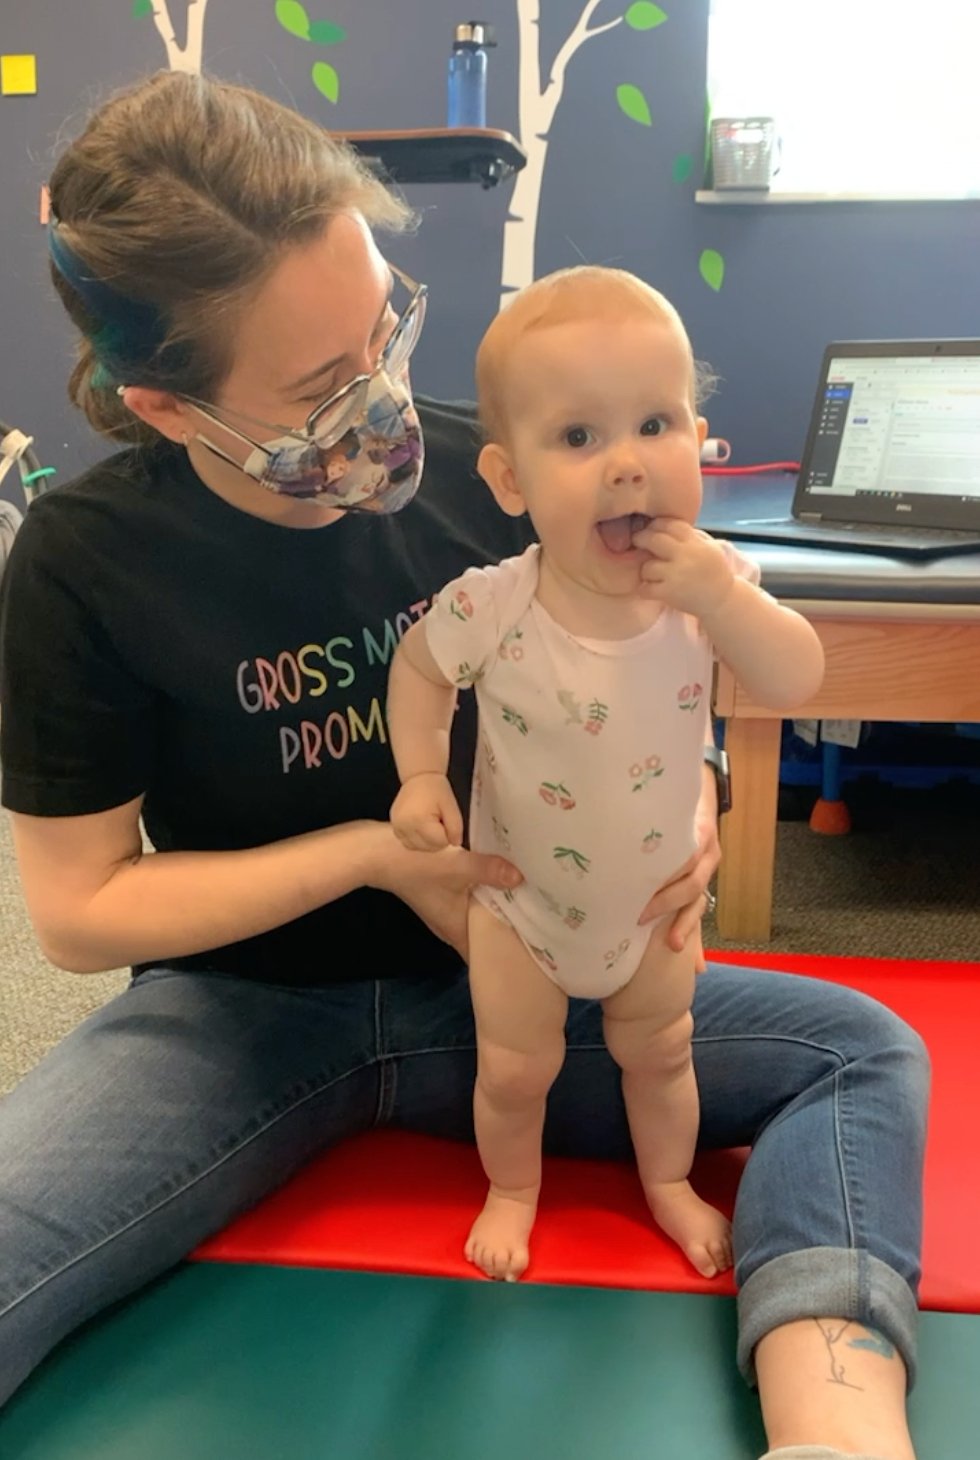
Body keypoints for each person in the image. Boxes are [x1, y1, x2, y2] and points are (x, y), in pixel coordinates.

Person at [0, 71, 926, 1460]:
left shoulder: (491, 471)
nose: (380, 404)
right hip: (242, 1014)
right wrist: (377, 855)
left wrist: (697, 802)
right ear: (171, 409)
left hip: (517, 963)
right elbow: (80, 913)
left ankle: (836, 1428)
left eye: (385, 332)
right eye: (323, 391)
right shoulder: (86, 561)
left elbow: (664, 661)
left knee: (861, 1050)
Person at [387, 266, 824, 1285]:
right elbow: (417, 669)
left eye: (654, 425)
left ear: (698, 439)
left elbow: (795, 675)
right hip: (520, 907)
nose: (628, 464)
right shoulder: (494, 603)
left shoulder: (707, 591)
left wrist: (725, 600)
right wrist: (420, 776)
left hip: (654, 907)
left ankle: (667, 1182)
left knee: (662, 1053)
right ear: (510, 482)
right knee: (515, 1070)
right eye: (579, 437)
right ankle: (514, 1189)